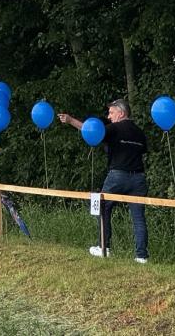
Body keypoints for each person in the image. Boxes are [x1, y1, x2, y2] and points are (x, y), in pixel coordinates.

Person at [58, 99, 150, 263]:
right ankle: (141, 256)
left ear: (121, 113)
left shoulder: (114, 128)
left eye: (111, 112)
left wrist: (71, 121)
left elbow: (91, 131)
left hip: (118, 176)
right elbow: (143, 150)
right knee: (138, 217)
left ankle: (104, 247)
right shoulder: (139, 132)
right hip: (139, 178)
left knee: (102, 207)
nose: (109, 116)